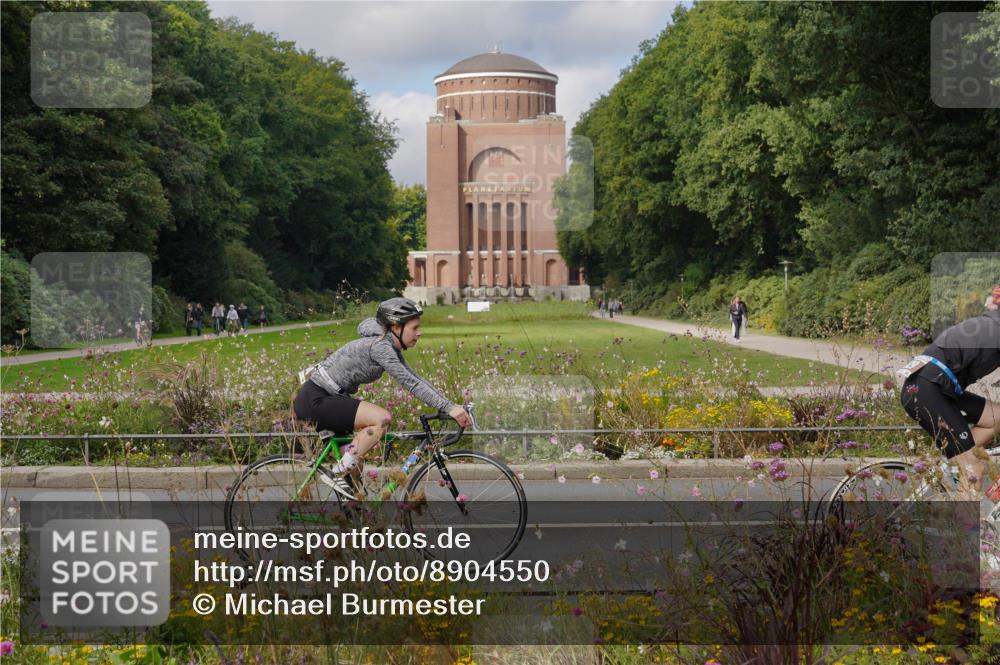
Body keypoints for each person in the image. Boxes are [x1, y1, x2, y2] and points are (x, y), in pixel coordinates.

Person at [293, 297, 471, 491]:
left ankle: (355, 505)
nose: (419, 333)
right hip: (317, 399)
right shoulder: (380, 347)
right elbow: (411, 384)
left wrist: (449, 405)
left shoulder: (387, 344)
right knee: (382, 419)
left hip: (328, 397)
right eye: (414, 328)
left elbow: (415, 378)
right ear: (396, 327)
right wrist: (449, 407)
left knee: (355, 473)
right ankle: (337, 473)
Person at [898, 285, 1000, 497]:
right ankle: (963, 521)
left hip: (935, 385)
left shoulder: (991, 322)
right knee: (974, 470)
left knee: (996, 417)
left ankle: (960, 455)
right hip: (930, 387)